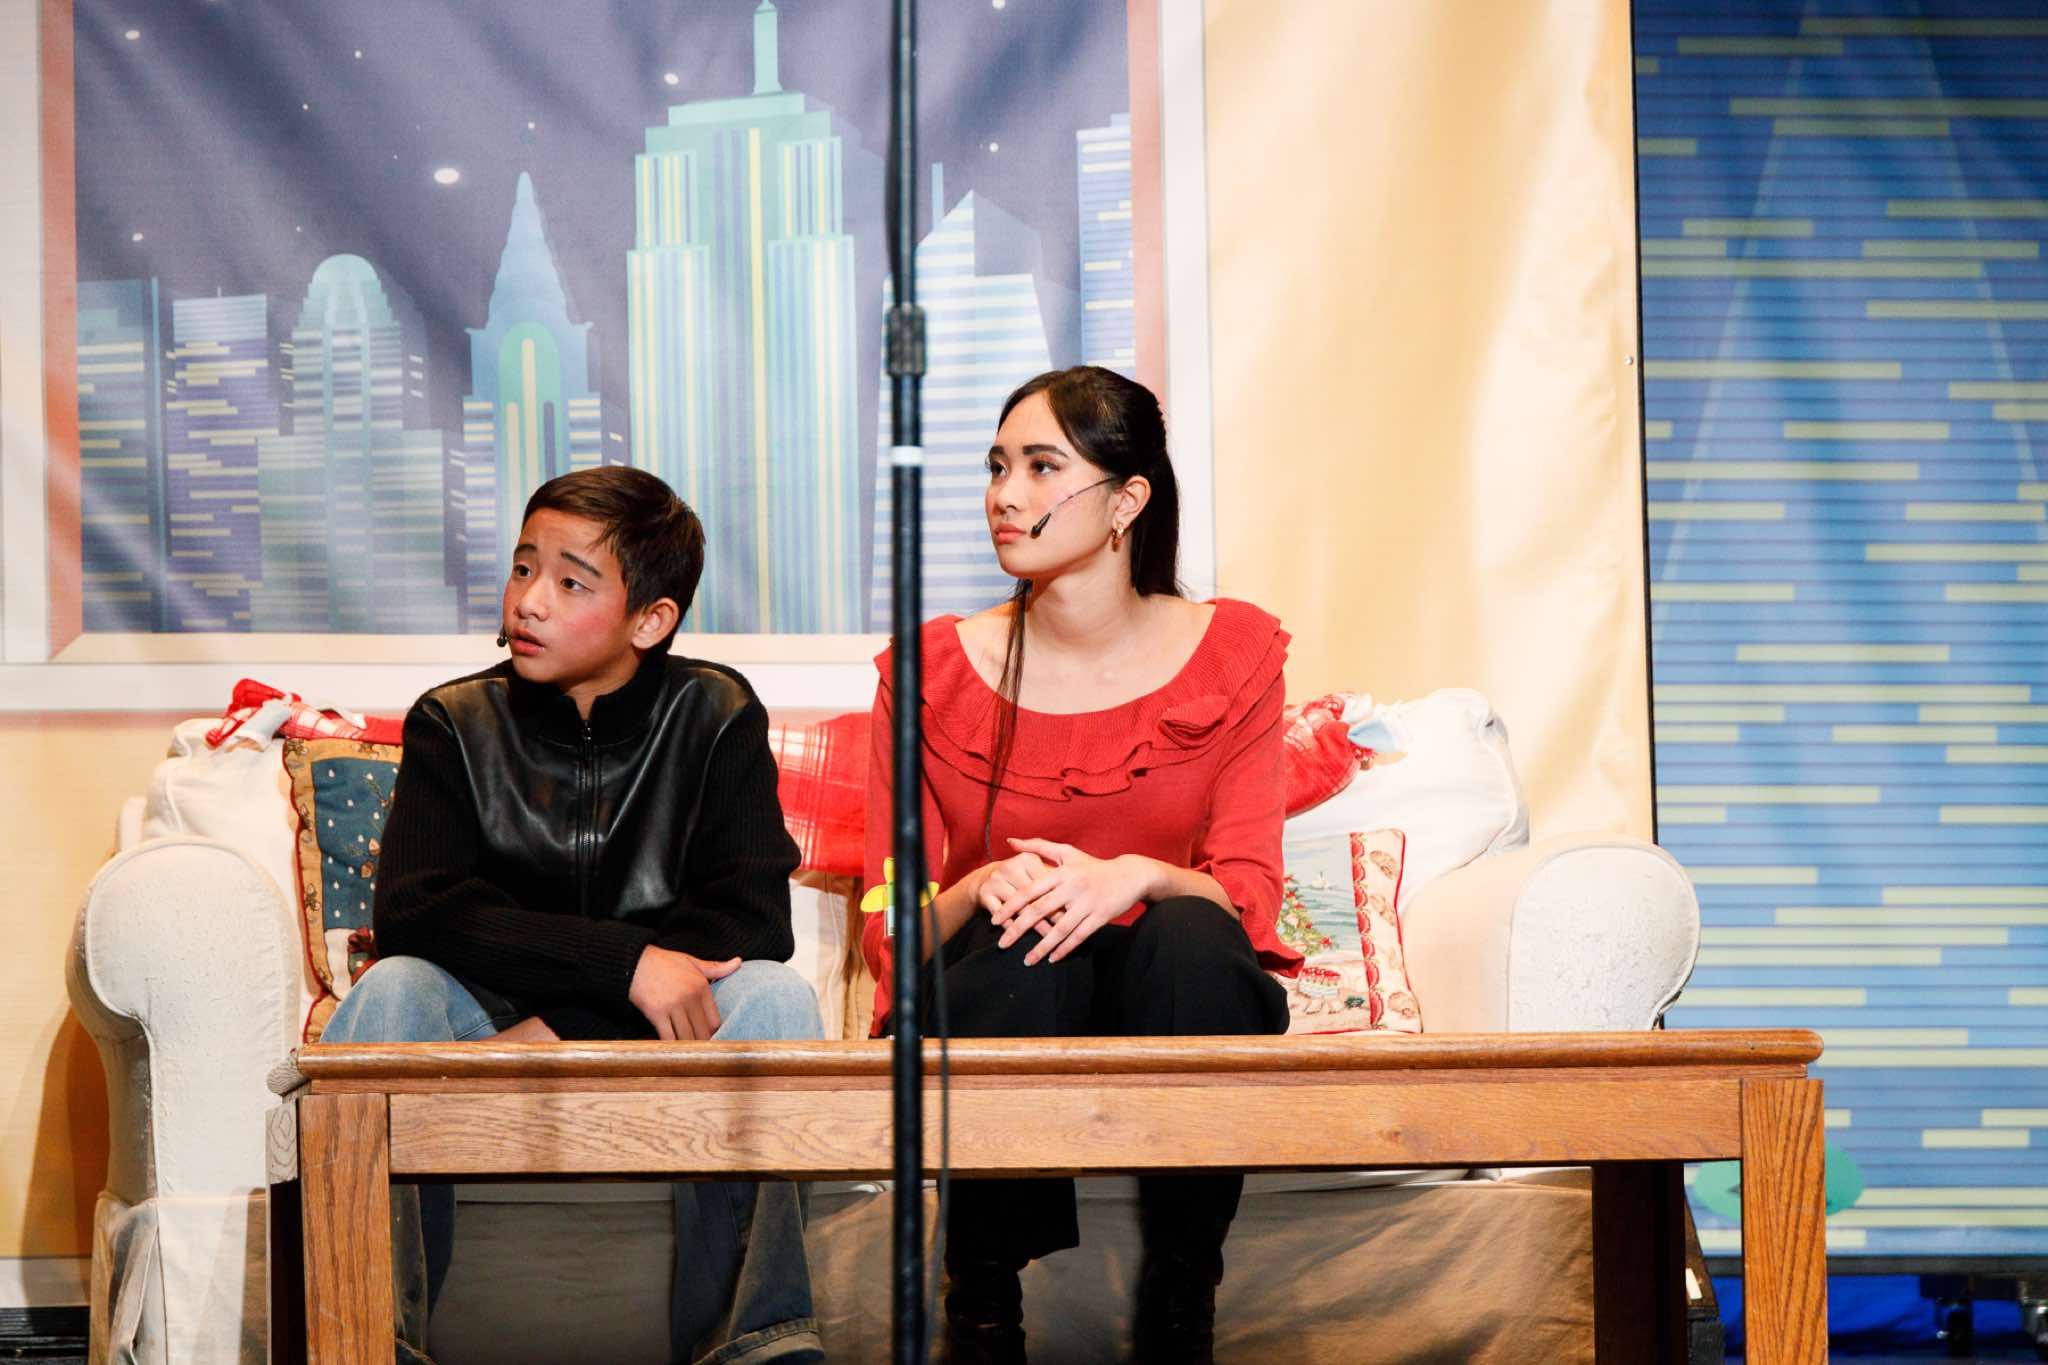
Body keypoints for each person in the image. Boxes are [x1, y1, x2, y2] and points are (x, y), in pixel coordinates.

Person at [324, 466, 825, 1365]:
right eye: (524, 568)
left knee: (776, 997)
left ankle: (758, 1344)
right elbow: (415, 911)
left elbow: (752, 919)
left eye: (570, 581)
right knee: (395, 989)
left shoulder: (715, 713)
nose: (530, 601)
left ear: (650, 620)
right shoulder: (454, 721)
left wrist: (573, 1022)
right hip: (486, 1030)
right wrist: (623, 963)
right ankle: (365, 1338)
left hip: (646, 1040)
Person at [862, 366, 1301, 1364]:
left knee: (1193, 934)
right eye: (996, 467)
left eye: (1040, 467)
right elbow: (891, 928)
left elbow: (1248, 896)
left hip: (1168, 991)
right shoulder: (926, 672)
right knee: (1016, 934)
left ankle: (1182, 1300)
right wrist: (976, 887)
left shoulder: (1234, 654)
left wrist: (1138, 875)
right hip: (1000, 991)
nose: (1004, 495)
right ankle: (982, 1309)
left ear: (1126, 500)